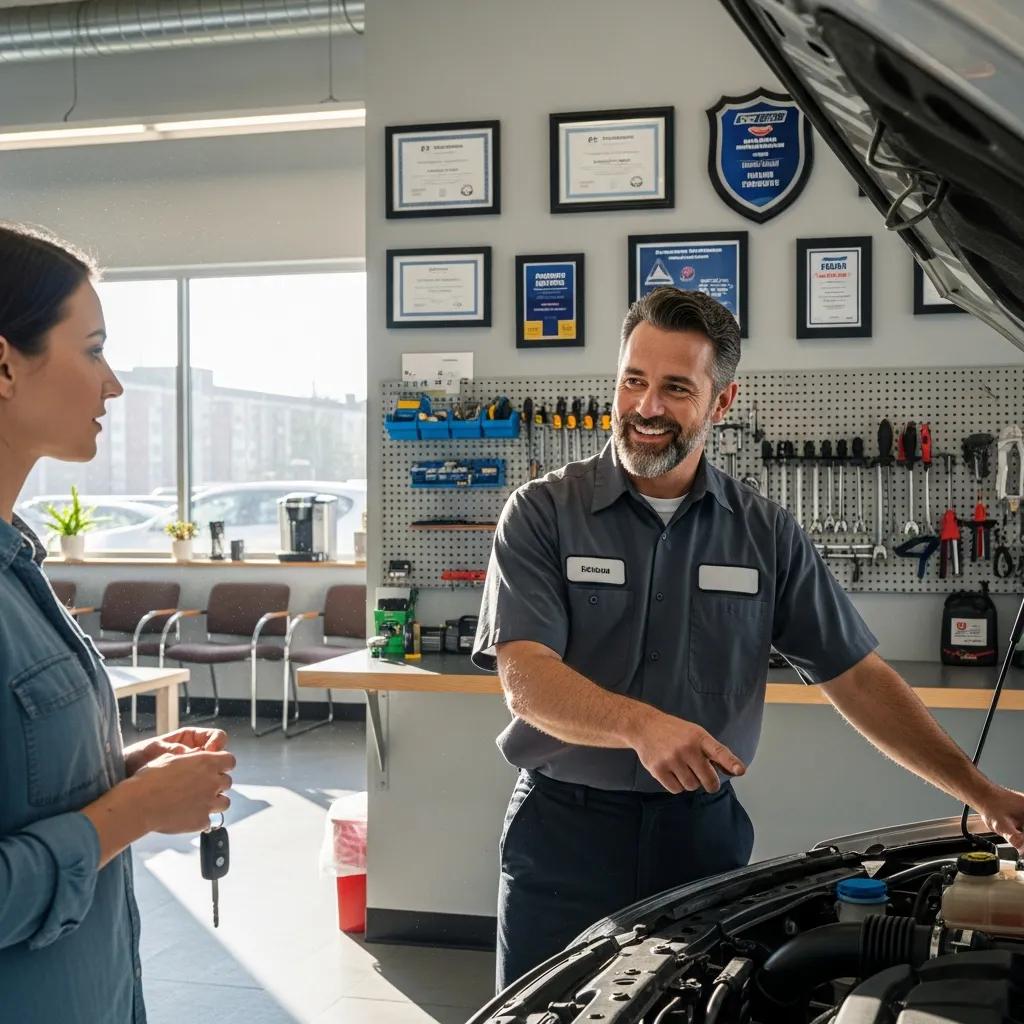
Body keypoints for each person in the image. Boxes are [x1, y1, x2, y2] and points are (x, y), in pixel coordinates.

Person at [473, 286, 1024, 991]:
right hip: (563, 835)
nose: (646, 406)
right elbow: (526, 678)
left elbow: (857, 678)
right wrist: (640, 725)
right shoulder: (542, 512)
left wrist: (982, 793)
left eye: (676, 388)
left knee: (702, 1005)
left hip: (698, 838)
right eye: (633, 380)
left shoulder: (765, 533)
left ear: (721, 403)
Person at [0, 223, 236, 1022]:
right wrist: (131, 813)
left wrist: (126, 776)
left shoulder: (17, 562)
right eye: (93, 350)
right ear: (5, 365)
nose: (113, 386)